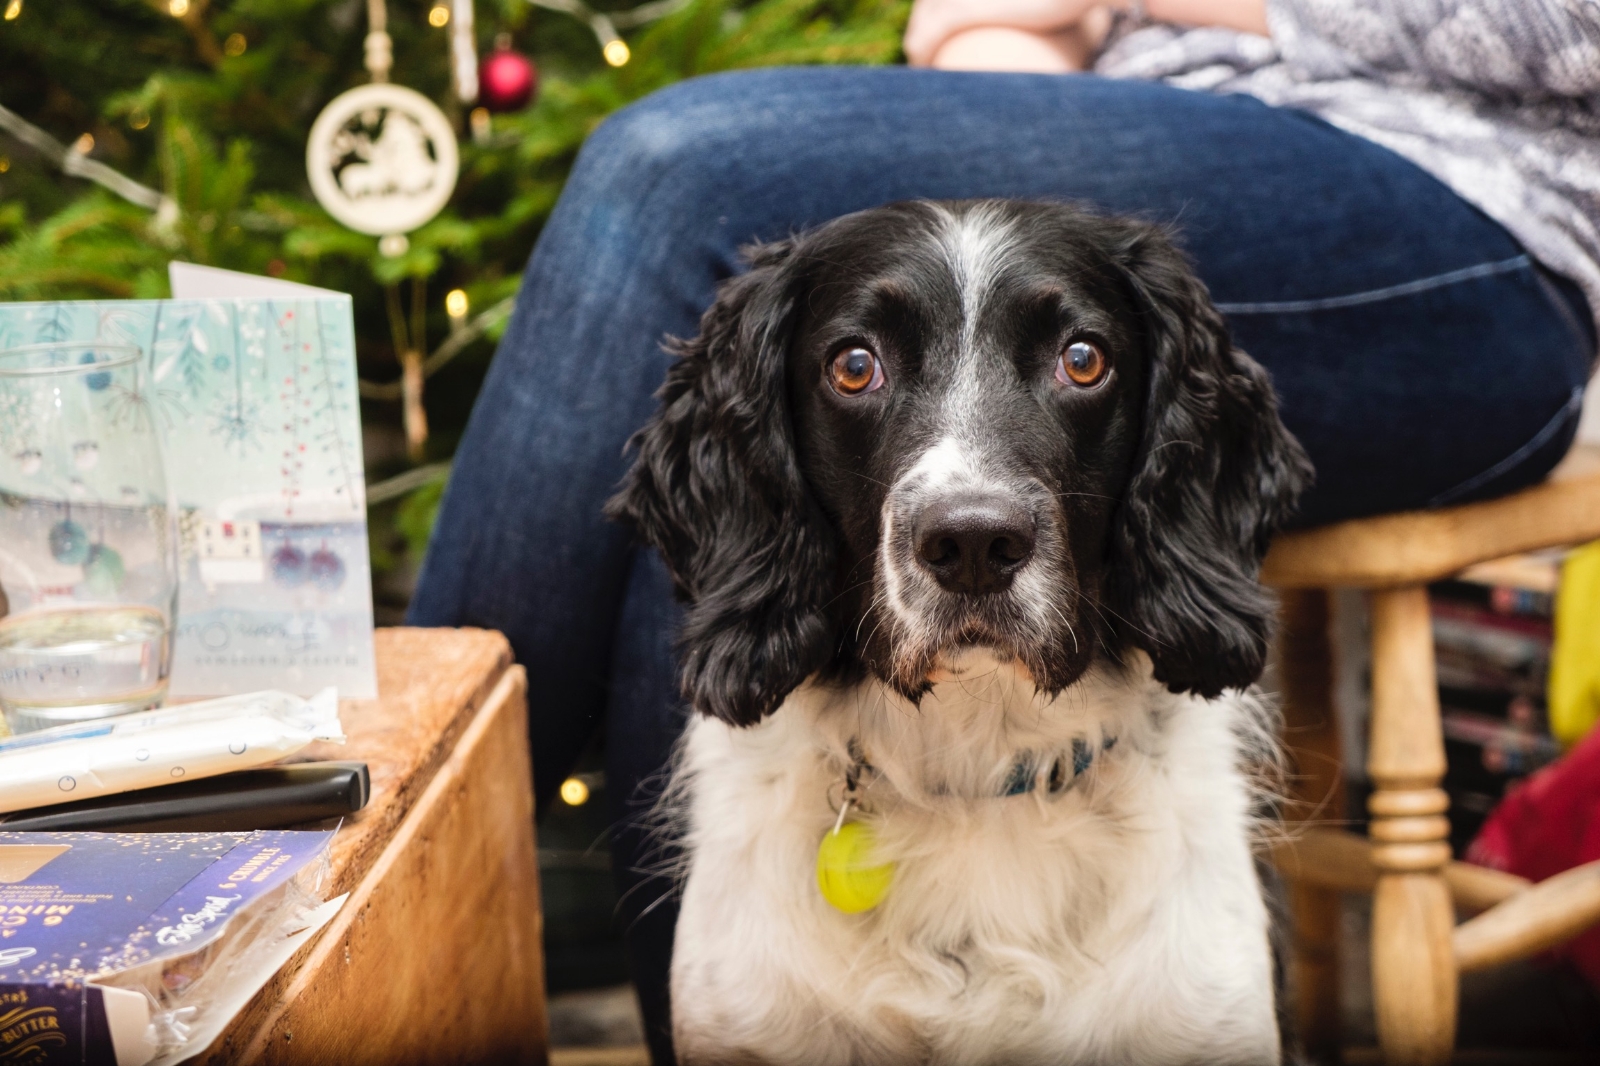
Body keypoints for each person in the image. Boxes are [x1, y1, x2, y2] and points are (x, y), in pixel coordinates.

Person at [409, 2, 1599, 1059]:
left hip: (1482, 207)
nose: (967, 519)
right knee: (731, 543)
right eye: (857, 367)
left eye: (1080, 361)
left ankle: (392, 888)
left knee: (666, 174)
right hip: (1123, 98)